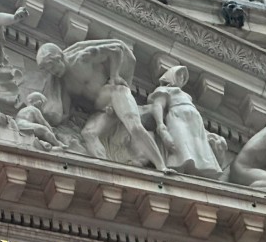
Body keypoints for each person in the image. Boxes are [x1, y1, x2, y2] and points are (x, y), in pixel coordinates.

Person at [36, 40, 171, 173]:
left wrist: (114, 76)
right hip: (101, 110)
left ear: (59, 57)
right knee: (88, 134)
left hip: (115, 94)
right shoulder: (63, 84)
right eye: (49, 70)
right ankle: (109, 170)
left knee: (135, 127)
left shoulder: (81, 58)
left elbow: (116, 49)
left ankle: (161, 166)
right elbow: (64, 113)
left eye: (52, 66)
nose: (53, 72)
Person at [148, 65, 222, 178]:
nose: (182, 78)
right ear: (171, 76)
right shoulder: (165, 90)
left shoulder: (187, 96)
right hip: (178, 118)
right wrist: (161, 126)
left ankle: (197, 172)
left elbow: (197, 119)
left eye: (183, 76)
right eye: (179, 75)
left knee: (198, 149)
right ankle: (180, 169)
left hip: (195, 124)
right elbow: (158, 105)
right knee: (181, 146)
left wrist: (208, 134)